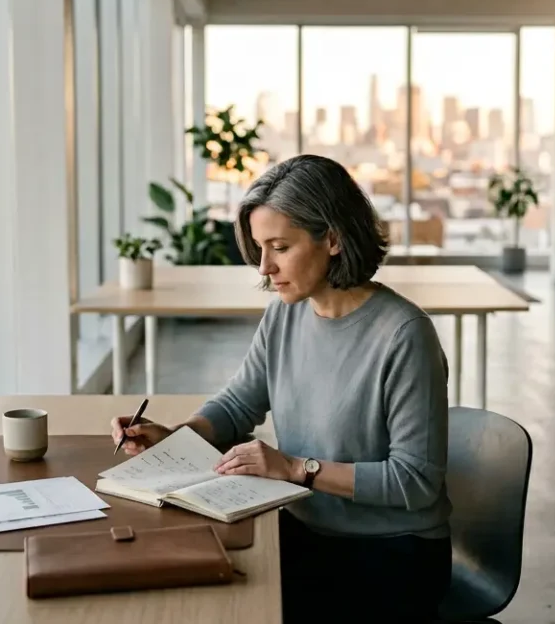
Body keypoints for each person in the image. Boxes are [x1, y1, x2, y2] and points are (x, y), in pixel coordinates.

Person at [110, 153, 451, 622]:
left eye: (280, 247)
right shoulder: (287, 312)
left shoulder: (404, 334)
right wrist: (175, 436)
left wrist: (295, 467)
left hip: (391, 552)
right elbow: (237, 404)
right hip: (303, 528)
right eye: (259, 248)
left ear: (332, 238)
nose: (265, 267)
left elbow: (415, 481)